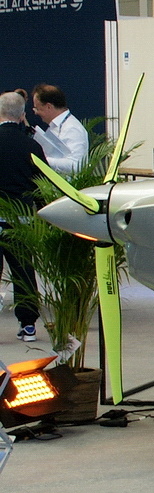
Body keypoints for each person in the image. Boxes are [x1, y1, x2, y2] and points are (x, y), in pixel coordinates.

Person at [0, 93, 44, 342]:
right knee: (23, 272)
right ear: (22, 115)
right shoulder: (32, 145)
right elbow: (43, 184)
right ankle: (28, 324)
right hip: (22, 220)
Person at [31, 84, 87, 174]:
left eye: (37, 108)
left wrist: (42, 160)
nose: (36, 113)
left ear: (48, 106)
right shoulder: (53, 127)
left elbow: (76, 165)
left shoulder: (72, 128)